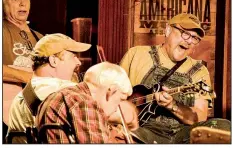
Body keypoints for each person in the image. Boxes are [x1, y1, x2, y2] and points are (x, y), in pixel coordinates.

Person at [120, 13, 231, 143]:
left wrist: (173, 105)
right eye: (185, 33)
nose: (189, 41)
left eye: (195, 38)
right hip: (142, 131)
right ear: (167, 30)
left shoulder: (200, 71)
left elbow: (200, 117)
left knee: (224, 126)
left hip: (180, 135)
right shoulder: (136, 54)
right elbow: (113, 94)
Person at [7, 33, 91, 143]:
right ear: (53, 61)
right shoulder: (63, 90)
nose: (78, 62)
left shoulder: (19, 98)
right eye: (73, 56)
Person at [35, 61, 137, 143]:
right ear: (112, 91)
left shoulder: (57, 96)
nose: (117, 108)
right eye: (121, 99)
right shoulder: (84, 102)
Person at [2, 0, 44, 142]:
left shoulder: (39, 37)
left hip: (33, 114)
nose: (22, 3)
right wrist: (28, 77)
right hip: (7, 112)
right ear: (3, 3)